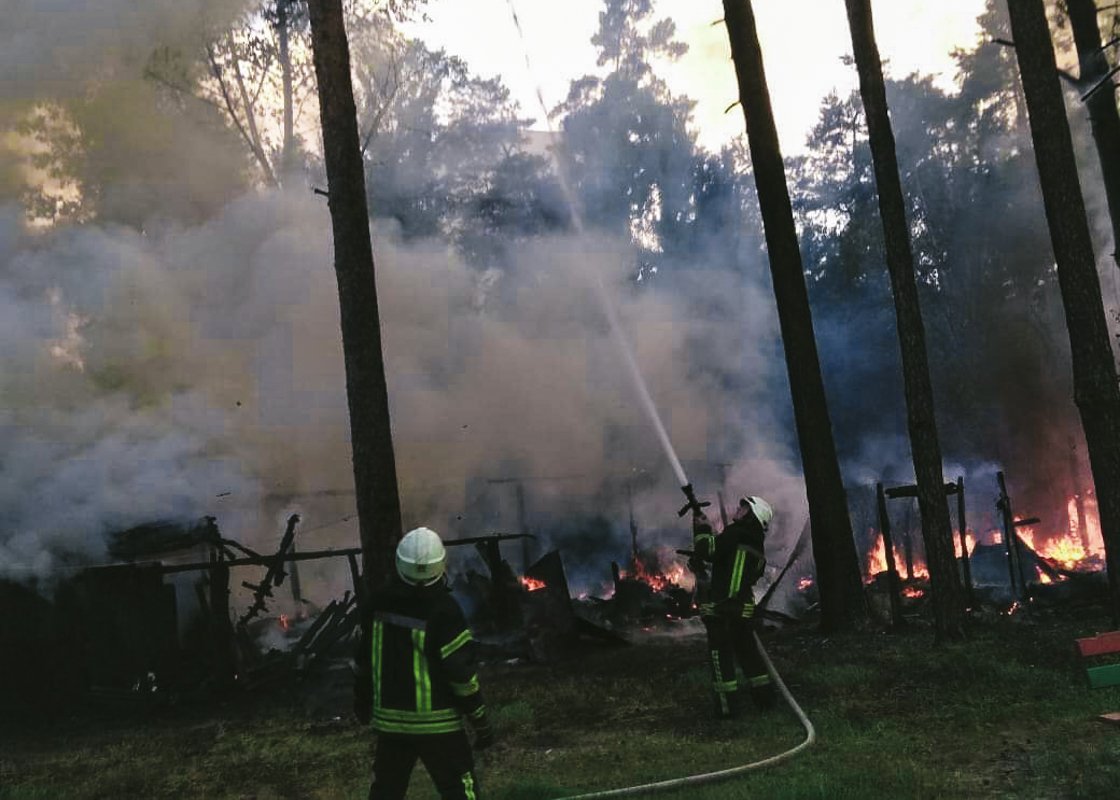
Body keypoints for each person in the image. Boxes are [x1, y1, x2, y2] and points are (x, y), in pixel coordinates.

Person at [354, 527, 494, 799]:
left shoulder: (377, 603)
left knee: (386, 791)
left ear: (398, 563)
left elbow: (362, 661)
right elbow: (461, 676)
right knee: (459, 791)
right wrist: (480, 722)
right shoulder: (445, 610)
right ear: (440, 565)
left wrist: (362, 701)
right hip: (440, 726)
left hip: (391, 725)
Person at [691, 495, 777, 719]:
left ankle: (727, 709)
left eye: (744, 507)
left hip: (723, 610)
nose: (739, 508)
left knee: (721, 658)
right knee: (749, 654)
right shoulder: (758, 548)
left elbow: (707, 549)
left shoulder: (735, 533)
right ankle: (765, 701)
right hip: (743, 610)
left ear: (752, 515)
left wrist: (701, 529)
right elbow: (730, 568)